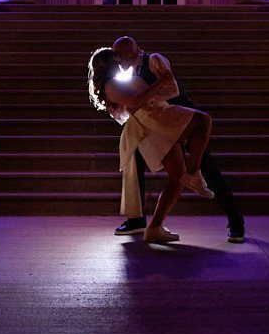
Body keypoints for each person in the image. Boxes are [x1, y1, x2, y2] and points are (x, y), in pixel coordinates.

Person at [111, 35, 246, 243]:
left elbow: (173, 89)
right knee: (134, 159)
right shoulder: (130, 72)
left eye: (119, 55)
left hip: (180, 117)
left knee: (208, 168)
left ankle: (235, 221)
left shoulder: (154, 59)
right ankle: (137, 219)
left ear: (132, 51)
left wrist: (148, 98)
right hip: (158, 124)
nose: (117, 60)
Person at [87, 46, 214, 244]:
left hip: (153, 123)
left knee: (176, 178)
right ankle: (194, 172)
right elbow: (135, 100)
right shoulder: (111, 85)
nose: (120, 61)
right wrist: (160, 83)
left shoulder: (117, 81)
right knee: (203, 121)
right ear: (108, 63)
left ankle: (155, 227)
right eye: (116, 58)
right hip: (153, 121)